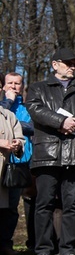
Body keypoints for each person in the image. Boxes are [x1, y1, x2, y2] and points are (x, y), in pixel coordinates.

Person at [26, 49, 75, 255]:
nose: (72, 66)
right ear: (54, 64)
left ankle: (68, 250)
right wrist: (60, 121)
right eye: (68, 63)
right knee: (44, 203)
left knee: (72, 204)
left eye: (74, 63)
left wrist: (73, 123)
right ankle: (43, 250)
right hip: (47, 153)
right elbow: (34, 108)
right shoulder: (38, 88)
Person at [0, 72, 33, 255]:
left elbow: (32, 127)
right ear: (3, 86)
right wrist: (8, 104)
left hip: (19, 162)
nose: (13, 86)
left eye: (17, 83)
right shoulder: (3, 105)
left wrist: (12, 125)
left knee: (11, 207)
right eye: (10, 83)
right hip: (1, 161)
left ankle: (6, 243)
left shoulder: (27, 107)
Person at [0, 105, 25, 245]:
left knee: (9, 209)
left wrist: (18, 144)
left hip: (6, 170)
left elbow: (20, 137)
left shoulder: (8, 115)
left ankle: (5, 244)